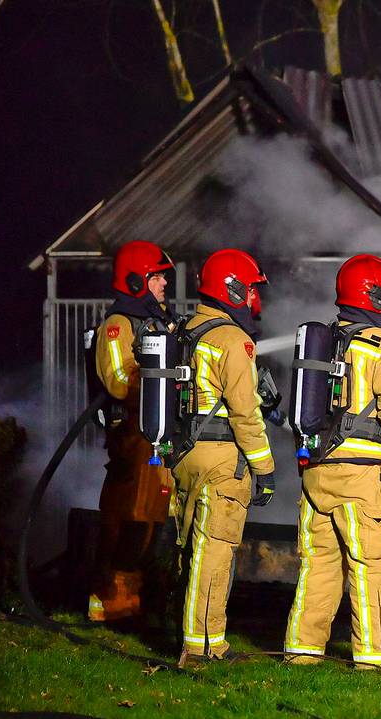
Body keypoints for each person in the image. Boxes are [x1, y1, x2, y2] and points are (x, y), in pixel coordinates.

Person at [283, 254, 381, 670]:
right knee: (369, 567)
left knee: (318, 566)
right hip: (363, 478)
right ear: (373, 294)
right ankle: (373, 658)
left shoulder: (326, 340)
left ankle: (302, 651)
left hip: (316, 471)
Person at [172, 248, 275, 664]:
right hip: (220, 459)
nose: (255, 298)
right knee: (215, 551)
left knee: (189, 550)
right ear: (232, 289)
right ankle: (203, 647)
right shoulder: (233, 340)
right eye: (250, 289)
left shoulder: (185, 329)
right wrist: (264, 468)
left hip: (183, 453)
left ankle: (190, 634)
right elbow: (245, 415)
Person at [89, 240, 176, 623]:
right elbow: (119, 379)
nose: (163, 284)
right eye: (156, 277)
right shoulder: (118, 325)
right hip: (133, 438)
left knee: (155, 518)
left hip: (156, 434)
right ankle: (108, 602)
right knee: (132, 518)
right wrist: (161, 380)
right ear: (137, 279)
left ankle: (138, 602)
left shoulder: (158, 321)